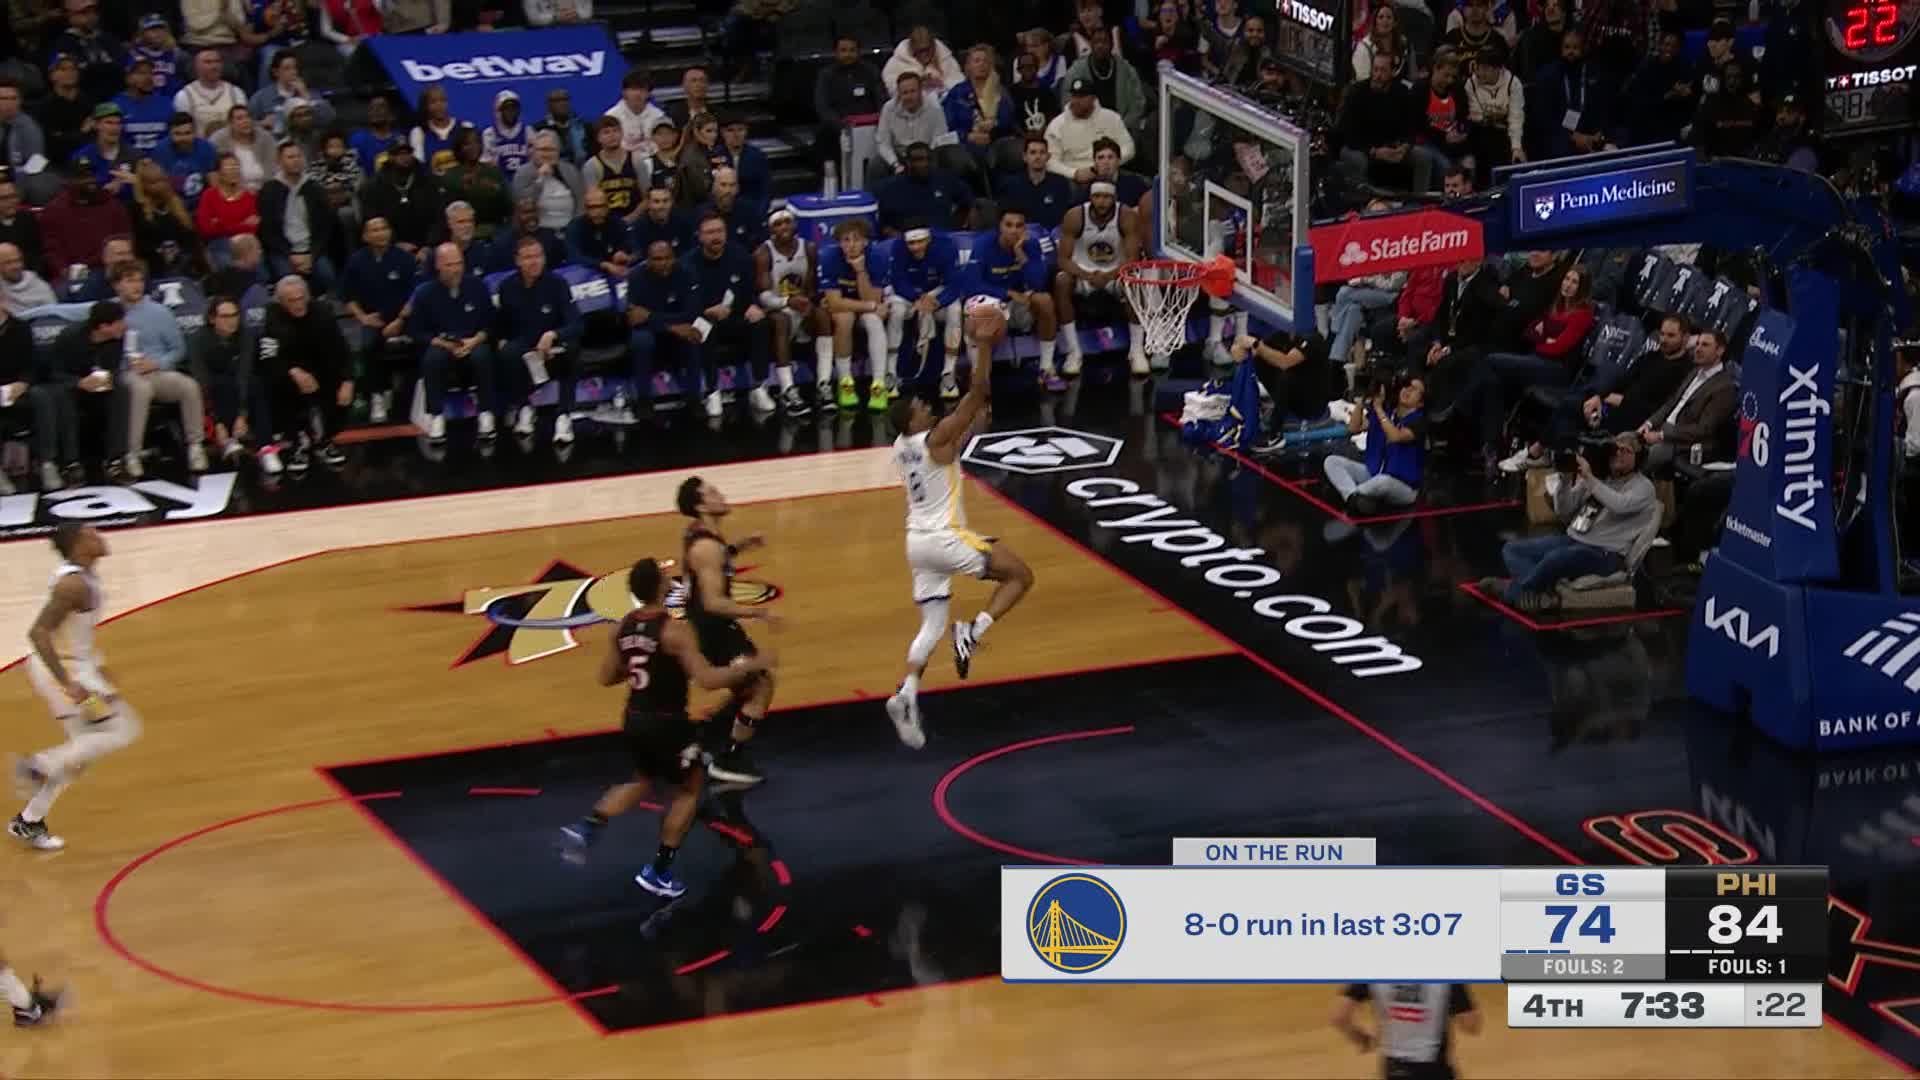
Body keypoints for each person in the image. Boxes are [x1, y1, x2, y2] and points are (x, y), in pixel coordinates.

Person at [556, 558, 779, 895]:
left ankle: (587, 826)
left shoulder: (622, 627)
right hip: (668, 723)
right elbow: (707, 679)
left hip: (634, 718)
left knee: (642, 780)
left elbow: (606, 677)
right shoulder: (674, 631)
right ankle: (658, 871)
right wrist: (752, 665)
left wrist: (641, 665)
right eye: (665, 579)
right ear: (660, 588)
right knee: (689, 789)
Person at [884, 300, 1035, 748]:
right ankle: (974, 629)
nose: (927, 407)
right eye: (921, 407)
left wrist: (970, 428)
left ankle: (907, 691)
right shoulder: (933, 437)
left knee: (931, 626)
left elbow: (949, 450)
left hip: (917, 544)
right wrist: (984, 346)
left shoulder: (902, 447)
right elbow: (976, 391)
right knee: (1021, 576)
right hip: (945, 538)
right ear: (912, 420)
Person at [13, 523, 143, 852]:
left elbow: (74, 634)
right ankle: (38, 765)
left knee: (82, 754)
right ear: (78, 544)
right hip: (64, 674)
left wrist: (98, 669)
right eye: (91, 534)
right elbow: (38, 633)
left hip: (78, 669)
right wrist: (68, 683)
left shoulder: (84, 577)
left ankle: (29, 820)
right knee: (122, 730)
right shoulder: (72, 585)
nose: (100, 536)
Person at [675, 476, 781, 786]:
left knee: (747, 687)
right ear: (701, 506)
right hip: (713, 628)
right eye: (712, 493)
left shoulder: (698, 534)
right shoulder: (707, 547)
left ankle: (699, 743)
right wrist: (760, 612)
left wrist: (740, 546)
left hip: (705, 625)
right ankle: (728, 758)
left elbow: (713, 562)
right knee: (760, 685)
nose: (720, 495)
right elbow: (713, 602)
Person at [1488, 432, 1658, 611]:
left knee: (1555, 559)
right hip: (1574, 539)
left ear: (1639, 458)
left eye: (1626, 451)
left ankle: (1512, 591)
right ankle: (1534, 591)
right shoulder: (1600, 477)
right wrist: (1565, 479)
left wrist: (1590, 478)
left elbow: (1619, 505)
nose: (1618, 454)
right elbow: (1564, 510)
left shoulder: (1644, 487)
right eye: (1616, 449)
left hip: (1606, 554)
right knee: (1512, 549)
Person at [113, 261, 208, 477]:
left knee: (188, 386)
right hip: (126, 374)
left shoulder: (159, 312)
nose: (137, 285)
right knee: (141, 389)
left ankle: (195, 446)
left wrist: (157, 363)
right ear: (117, 285)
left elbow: (178, 349)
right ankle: (132, 454)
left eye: (139, 280)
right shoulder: (110, 311)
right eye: (130, 281)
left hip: (157, 372)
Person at [407, 241, 501, 442]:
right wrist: (443, 343)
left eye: (459, 263)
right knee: (432, 359)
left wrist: (476, 339)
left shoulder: (477, 286)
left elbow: (492, 323)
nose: (456, 269)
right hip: (442, 344)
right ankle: (436, 415)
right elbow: (416, 331)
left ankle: (486, 413)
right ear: (438, 266)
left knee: (482, 357)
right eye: (449, 265)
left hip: (473, 342)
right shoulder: (425, 293)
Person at [1052, 179, 1145, 377]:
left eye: (1106, 197)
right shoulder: (1075, 216)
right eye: (1097, 196)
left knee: (1135, 282)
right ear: (1090, 198)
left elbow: (1132, 259)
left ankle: (1137, 351)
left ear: (1115, 198)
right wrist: (1087, 275)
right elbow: (1063, 260)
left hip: (1116, 273)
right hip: (1083, 273)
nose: (1101, 201)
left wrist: (1109, 276)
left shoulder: (1127, 216)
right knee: (1061, 281)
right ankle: (1074, 352)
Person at [257, 274, 351, 470]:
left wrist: (348, 380)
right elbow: (267, 356)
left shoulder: (323, 312)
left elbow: (341, 349)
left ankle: (324, 441)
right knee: (274, 381)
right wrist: (293, 372)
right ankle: (298, 443)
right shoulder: (272, 317)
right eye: (291, 301)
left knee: (339, 387)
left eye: (301, 298)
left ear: (307, 296)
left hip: (322, 370)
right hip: (289, 372)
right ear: (281, 302)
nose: (298, 305)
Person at [494, 235, 581, 444]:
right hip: (526, 347)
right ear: (517, 260)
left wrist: (553, 335)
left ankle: (564, 416)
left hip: (554, 344)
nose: (534, 262)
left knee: (572, 348)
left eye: (538, 256)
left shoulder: (558, 284)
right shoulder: (507, 287)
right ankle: (524, 407)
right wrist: (501, 339)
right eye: (528, 257)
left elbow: (576, 324)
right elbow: (501, 325)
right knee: (507, 352)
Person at [968, 207, 1058, 387]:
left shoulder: (1031, 244)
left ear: (1025, 228)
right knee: (982, 314)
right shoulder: (983, 245)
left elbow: (1038, 283)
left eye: (1019, 226)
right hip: (990, 303)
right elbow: (972, 285)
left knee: (1044, 300)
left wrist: (1020, 253)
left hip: (1018, 306)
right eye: (1008, 225)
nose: (1014, 230)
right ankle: (979, 378)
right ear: (1000, 227)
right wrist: (1007, 293)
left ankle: (1046, 367)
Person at [1325, 372, 1429, 516]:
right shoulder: (1387, 412)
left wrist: (1379, 408)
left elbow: (1395, 436)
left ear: (1421, 402)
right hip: (1374, 473)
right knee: (1332, 461)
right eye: (1407, 386)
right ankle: (1354, 498)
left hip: (1404, 487)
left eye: (1415, 389)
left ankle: (1354, 496)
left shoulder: (1419, 421)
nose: (1408, 390)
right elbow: (1354, 428)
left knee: (1383, 482)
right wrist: (1361, 402)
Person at [818, 217, 893, 413]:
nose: (851, 245)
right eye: (846, 240)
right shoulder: (829, 257)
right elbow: (835, 303)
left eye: (856, 239)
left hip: (862, 305)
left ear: (866, 241)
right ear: (839, 243)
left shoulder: (876, 256)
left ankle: (879, 384)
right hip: (846, 308)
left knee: (874, 320)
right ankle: (845, 382)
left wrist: (860, 271)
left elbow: (873, 298)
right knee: (845, 318)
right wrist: (870, 305)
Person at [753, 206, 821, 418]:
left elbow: (812, 287)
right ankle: (787, 389)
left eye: (787, 222)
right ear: (771, 229)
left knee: (822, 315)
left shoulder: (809, 248)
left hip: (800, 304)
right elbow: (764, 296)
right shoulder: (763, 253)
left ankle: (824, 385)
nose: (783, 227)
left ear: (795, 224)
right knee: (782, 319)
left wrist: (808, 302)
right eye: (778, 224)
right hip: (776, 307)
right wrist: (788, 301)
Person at [1333, 983, 1480, 1080]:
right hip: (1434, 1068)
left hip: (1393, 1068)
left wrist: (1361, 1039)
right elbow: (1471, 1026)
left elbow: (1339, 1017)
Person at [1637, 329, 1735, 473]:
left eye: (1705, 345)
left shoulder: (1724, 387)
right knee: (1625, 441)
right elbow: (1671, 403)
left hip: (1683, 442)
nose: (1698, 349)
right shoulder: (1694, 372)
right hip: (1663, 429)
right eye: (1697, 344)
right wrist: (1648, 423)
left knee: (1639, 459)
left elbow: (1703, 429)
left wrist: (1661, 436)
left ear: (1720, 350)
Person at [885, 224, 963, 399]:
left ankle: (948, 374)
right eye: (911, 243)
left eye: (920, 242)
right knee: (896, 311)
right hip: (909, 294)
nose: (916, 247)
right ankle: (890, 373)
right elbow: (898, 281)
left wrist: (938, 302)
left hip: (936, 293)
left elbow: (954, 284)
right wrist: (917, 298)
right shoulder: (898, 246)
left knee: (955, 310)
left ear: (929, 239)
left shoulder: (945, 245)